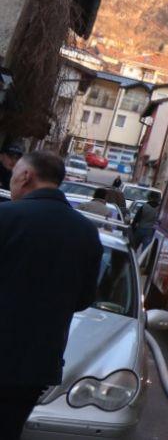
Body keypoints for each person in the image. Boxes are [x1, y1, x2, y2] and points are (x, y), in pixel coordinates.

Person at [0, 150, 102, 439]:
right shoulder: (85, 232)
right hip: (37, 363)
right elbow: (83, 299)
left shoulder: (5, 216)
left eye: (13, 174)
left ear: (25, 176)